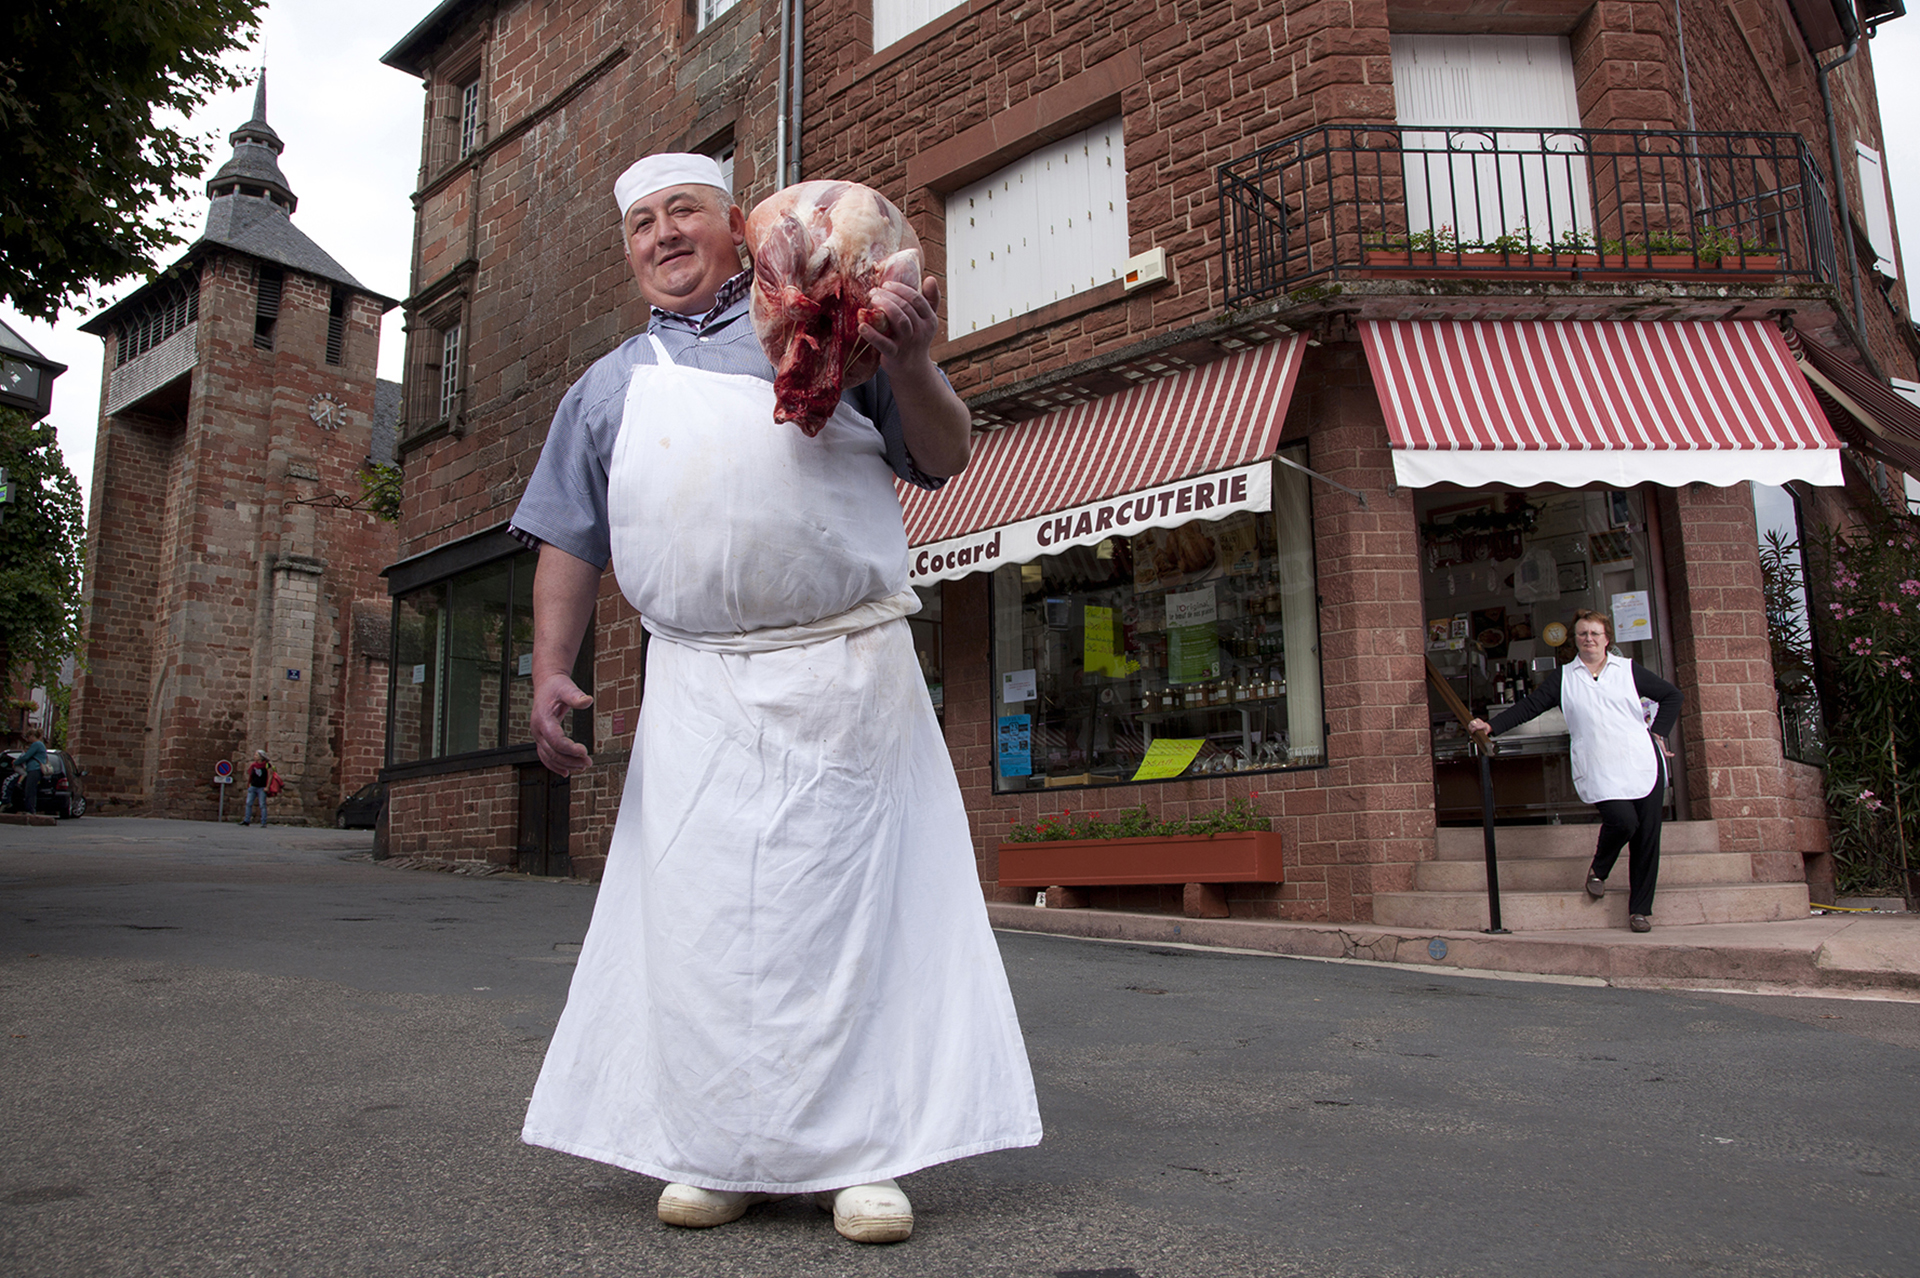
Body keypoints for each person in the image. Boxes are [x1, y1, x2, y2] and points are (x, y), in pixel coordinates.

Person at [509, 153, 1040, 1244]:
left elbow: (943, 456)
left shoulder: (839, 328)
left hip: (845, 679)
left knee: (856, 922)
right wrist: (550, 667)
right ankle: (718, 1149)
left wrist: (923, 363)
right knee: (710, 935)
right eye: (642, 224)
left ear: (739, 227)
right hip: (696, 692)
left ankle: (864, 1159)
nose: (662, 236)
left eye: (684, 213)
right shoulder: (604, 389)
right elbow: (568, 537)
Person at [1469, 609, 1682, 933]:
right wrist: (1492, 726)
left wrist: (1659, 732)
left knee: (1648, 837)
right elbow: (1530, 706)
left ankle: (1640, 910)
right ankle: (1600, 868)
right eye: (1583, 633)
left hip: (1642, 761)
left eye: (1595, 633)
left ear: (1607, 638)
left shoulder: (1627, 670)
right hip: (1600, 765)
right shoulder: (1565, 677)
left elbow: (1671, 696)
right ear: (1576, 640)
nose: (1589, 639)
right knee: (1623, 822)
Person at [15, 727, 47, 816]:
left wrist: (16, 762)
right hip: (34, 769)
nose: (28, 739)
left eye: (28, 737)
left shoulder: (36, 744)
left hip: (34, 769)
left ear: (32, 736)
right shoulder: (40, 745)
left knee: (30, 790)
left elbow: (27, 756)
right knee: (30, 789)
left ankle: (31, 810)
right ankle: (30, 809)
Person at [243, 750, 270, 827]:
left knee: (262, 805)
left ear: (261, 757)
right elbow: (250, 775)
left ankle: (263, 822)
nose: (255, 756)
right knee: (248, 803)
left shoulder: (267, 765)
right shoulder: (253, 765)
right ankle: (247, 820)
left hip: (262, 787)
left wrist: (267, 786)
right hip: (253, 786)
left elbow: (270, 775)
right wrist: (249, 784)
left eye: (256, 755)